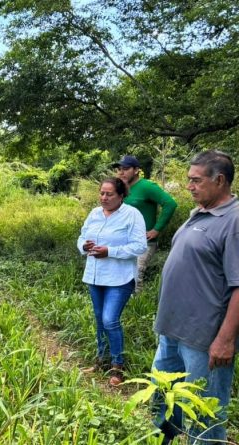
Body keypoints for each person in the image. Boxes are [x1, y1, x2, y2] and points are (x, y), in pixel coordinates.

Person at [152, 151, 239, 444]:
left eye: (195, 180)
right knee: (163, 400)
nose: (189, 186)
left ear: (220, 180)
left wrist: (225, 340)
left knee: (204, 414)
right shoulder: (200, 212)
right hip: (172, 331)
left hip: (205, 340)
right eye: (189, 180)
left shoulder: (235, 220)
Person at [77, 177, 147, 386]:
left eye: (110, 194)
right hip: (95, 275)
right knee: (100, 320)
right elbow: (81, 237)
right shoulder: (94, 214)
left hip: (119, 278)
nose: (104, 198)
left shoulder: (132, 215)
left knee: (110, 320)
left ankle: (118, 367)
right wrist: (84, 246)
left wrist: (110, 251)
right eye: (102, 193)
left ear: (121, 195)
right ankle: (101, 360)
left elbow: (139, 246)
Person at [113, 155, 178, 290]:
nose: (121, 172)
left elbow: (170, 204)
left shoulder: (147, 186)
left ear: (136, 170)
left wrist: (156, 229)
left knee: (136, 277)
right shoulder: (119, 188)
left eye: (125, 169)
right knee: (121, 277)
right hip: (122, 241)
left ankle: (137, 308)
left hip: (143, 241)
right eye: (119, 169)